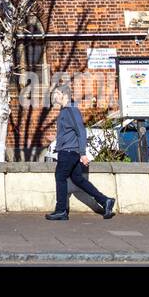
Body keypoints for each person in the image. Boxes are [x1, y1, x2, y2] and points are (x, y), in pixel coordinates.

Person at [45, 85, 116, 221]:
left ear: (64, 95)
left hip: (69, 152)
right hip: (67, 150)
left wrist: (83, 153)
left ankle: (61, 210)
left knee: (60, 177)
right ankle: (105, 200)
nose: (54, 97)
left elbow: (81, 131)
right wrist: (56, 139)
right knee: (78, 179)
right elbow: (69, 132)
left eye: (56, 94)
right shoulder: (64, 111)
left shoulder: (71, 110)